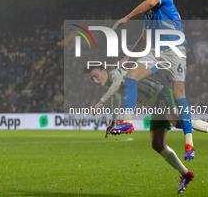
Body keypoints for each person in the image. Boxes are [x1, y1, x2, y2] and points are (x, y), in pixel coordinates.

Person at [112, 0, 194, 160]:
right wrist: (127, 58)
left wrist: (127, 17)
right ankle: (127, 122)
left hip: (175, 50)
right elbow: (143, 38)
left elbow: (150, 3)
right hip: (156, 51)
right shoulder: (148, 14)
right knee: (130, 77)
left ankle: (189, 143)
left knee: (179, 95)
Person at [86, 65, 202, 194]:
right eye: (93, 79)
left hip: (160, 94)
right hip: (155, 104)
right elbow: (116, 98)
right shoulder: (111, 83)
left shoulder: (114, 74)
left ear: (104, 71)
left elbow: (117, 84)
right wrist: (113, 121)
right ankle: (186, 174)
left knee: (177, 122)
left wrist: (101, 101)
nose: (96, 81)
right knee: (157, 144)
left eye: (96, 76)